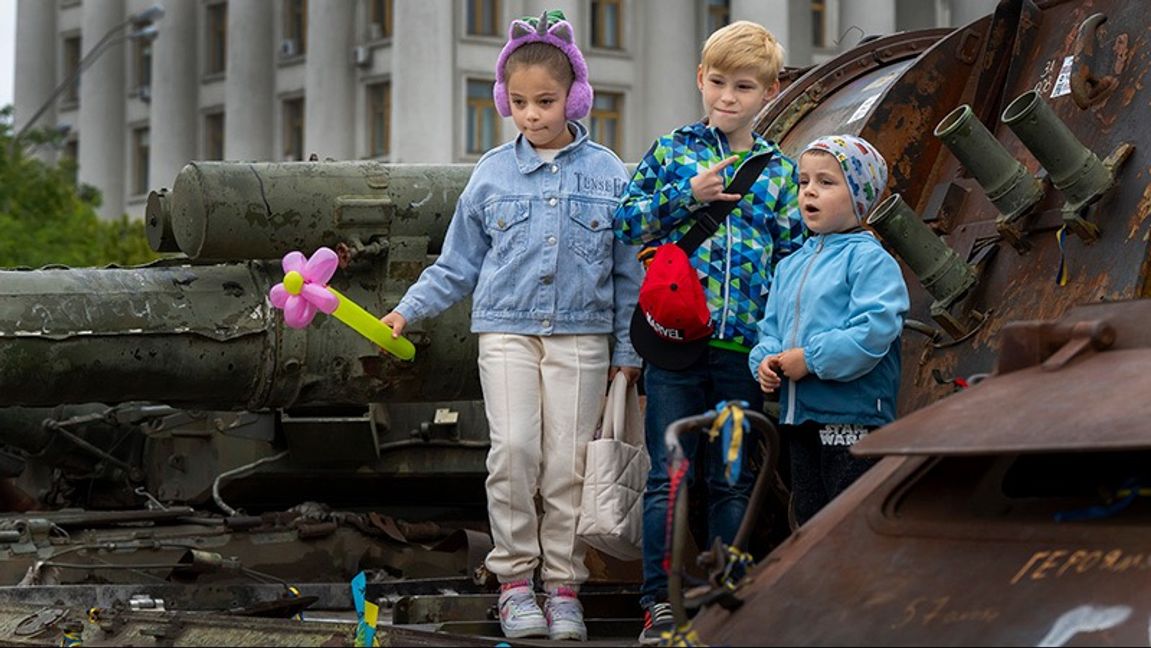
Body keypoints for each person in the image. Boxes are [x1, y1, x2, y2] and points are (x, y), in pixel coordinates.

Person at [379, 10, 642, 642]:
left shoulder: (611, 174)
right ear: (504, 100)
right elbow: (457, 263)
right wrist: (407, 309)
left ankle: (564, 588)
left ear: (576, 97)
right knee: (515, 453)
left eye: (545, 101)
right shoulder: (490, 174)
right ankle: (515, 584)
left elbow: (631, 273)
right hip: (505, 332)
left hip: (582, 336)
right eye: (519, 102)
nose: (532, 115)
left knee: (566, 468)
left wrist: (629, 350)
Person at [613, 20, 804, 645]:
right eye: (717, 82)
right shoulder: (672, 151)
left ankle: (727, 596)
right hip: (672, 345)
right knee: (671, 473)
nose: (728, 97)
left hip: (741, 353)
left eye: (744, 87)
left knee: (734, 476)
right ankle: (659, 603)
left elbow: (792, 260)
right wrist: (686, 195)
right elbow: (625, 222)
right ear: (700, 78)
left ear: (769, 91)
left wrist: (774, 344)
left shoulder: (778, 172)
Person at [749, 134, 909, 527]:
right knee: (809, 514)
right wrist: (764, 360)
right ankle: (818, 587)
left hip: (850, 415)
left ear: (859, 195)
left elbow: (875, 329)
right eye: (803, 182)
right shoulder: (791, 265)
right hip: (799, 417)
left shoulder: (870, 259)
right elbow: (770, 329)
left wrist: (812, 359)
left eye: (826, 182)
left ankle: (854, 588)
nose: (809, 192)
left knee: (849, 513)